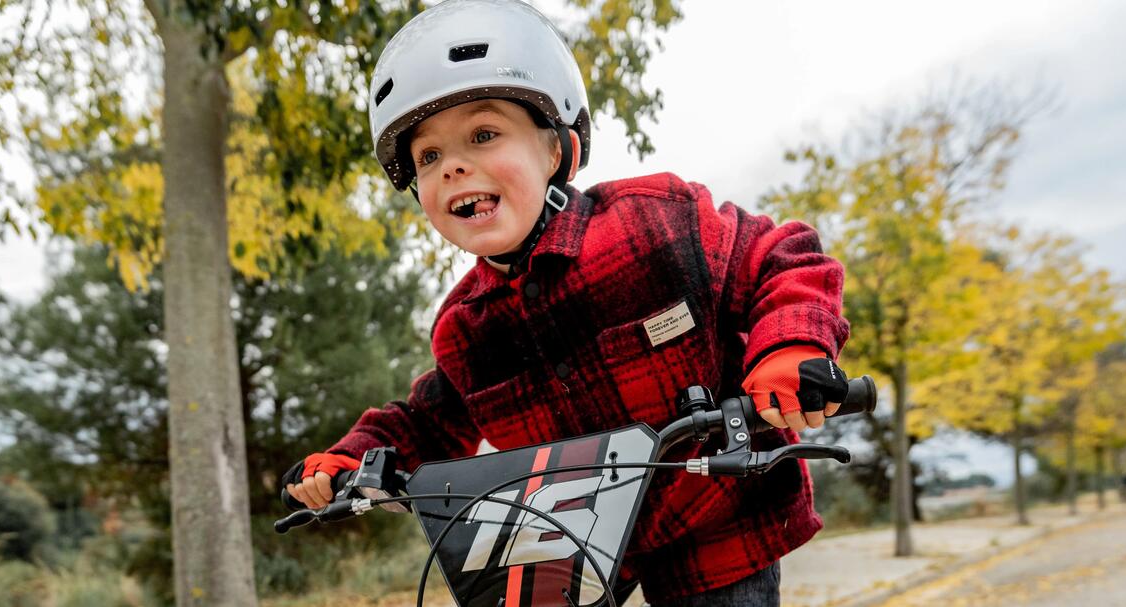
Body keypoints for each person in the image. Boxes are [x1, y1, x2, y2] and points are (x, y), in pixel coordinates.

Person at [281, 1, 851, 604]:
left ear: (557, 151)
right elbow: (426, 418)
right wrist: (351, 462)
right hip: (574, 540)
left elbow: (779, 256)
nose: (452, 166)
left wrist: (790, 344)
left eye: (483, 134)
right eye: (428, 156)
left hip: (713, 514)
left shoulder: (653, 223)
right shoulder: (464, 328)